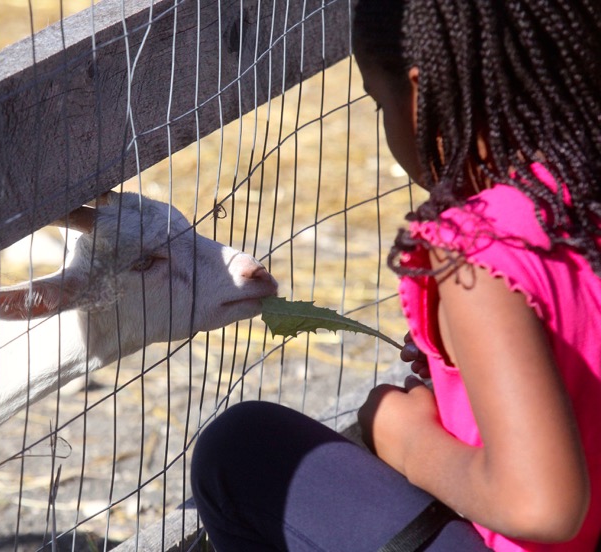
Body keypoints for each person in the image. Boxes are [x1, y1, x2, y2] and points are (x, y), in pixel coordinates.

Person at [190, 0, 601, 550]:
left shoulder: (477, 251)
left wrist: (410, 442)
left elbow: (541, 506)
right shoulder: (581, 187)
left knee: (240, 450)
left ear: (420, 95)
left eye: (381, 103)